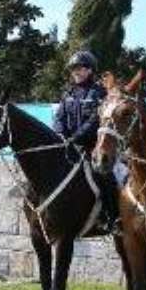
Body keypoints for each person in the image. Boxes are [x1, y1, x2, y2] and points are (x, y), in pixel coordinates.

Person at [52, 50, 120, 234]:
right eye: (73, 69)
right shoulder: (68, 93)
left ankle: (112, 218)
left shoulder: (99, 93)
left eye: (80, 68)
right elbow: (59, 117)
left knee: (105, 176)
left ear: (90, 70)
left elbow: (95, 121)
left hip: (92, 146)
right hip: (68, 145)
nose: (76, 72)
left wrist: (77, 138)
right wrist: (61, 135)